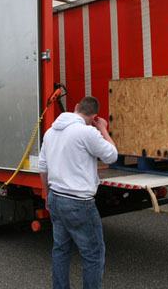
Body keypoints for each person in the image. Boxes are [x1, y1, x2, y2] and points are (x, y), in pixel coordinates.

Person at [38, 96, 118, 289]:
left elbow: (43, 167)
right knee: (93, 255)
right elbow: (112, 155)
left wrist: (48, 195)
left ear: (75, 107)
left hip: (56, 196)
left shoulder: (50, 132)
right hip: (78, 202)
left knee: (60, 249)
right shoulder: (87, 132)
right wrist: (103, 129)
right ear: (94, 117)